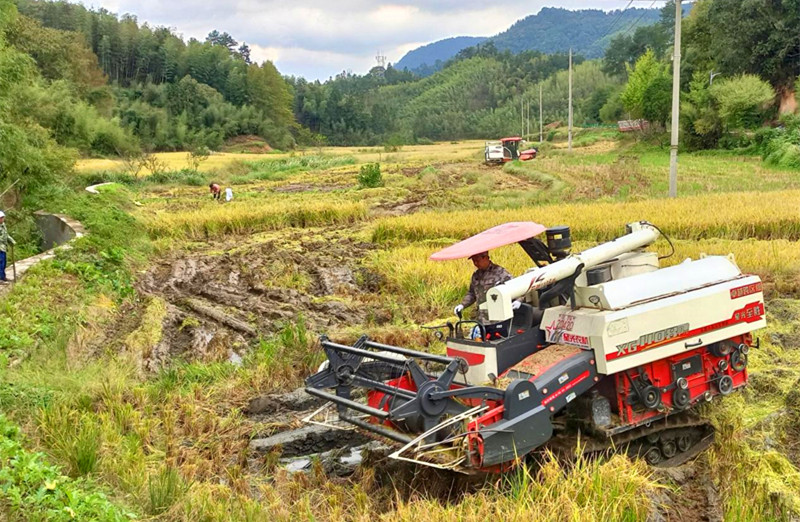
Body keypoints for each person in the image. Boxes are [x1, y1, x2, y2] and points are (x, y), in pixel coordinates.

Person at [454, 251, 518, 324]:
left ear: (485, 258)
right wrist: (462, 305)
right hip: (482, 319)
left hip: (498, 318)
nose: (475, 263)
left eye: (477, 260)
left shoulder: (500, 272)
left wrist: (518, 300)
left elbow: (514, 288)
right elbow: (472, 293)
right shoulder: (476, 275)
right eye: (473, 261)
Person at [0, 211, 16, 284]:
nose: (3, 219)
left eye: (3, 217)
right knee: (0, 263)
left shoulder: (3, 225)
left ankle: (3, 277)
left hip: (3, 247)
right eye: (1, 218)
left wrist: (11, 241)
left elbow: (6, 235)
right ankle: (0, 279)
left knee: (4, 262)